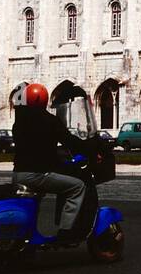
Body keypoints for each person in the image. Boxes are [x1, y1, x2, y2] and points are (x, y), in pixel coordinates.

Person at [12, 83, 88, 240]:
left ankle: (29, 234)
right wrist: (88, 147)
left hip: (18, 173)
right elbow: (69, 141)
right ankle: (66, 231)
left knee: (35, 199)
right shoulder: (49, 121)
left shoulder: (19, 122)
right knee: (77, 187)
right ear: (44, 100)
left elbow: (33, 146)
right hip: (37, 174)